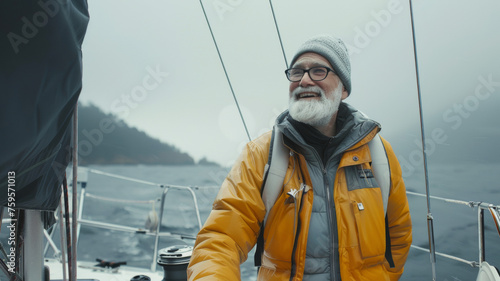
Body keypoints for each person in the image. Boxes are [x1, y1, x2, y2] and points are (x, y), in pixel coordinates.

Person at [187, 34, 412, 281]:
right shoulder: (261, 154)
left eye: (318, 71)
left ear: (344, 88)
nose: (304, 80)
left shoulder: (378, 154)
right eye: (297, 72)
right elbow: (221, 239)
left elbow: (397, 237)